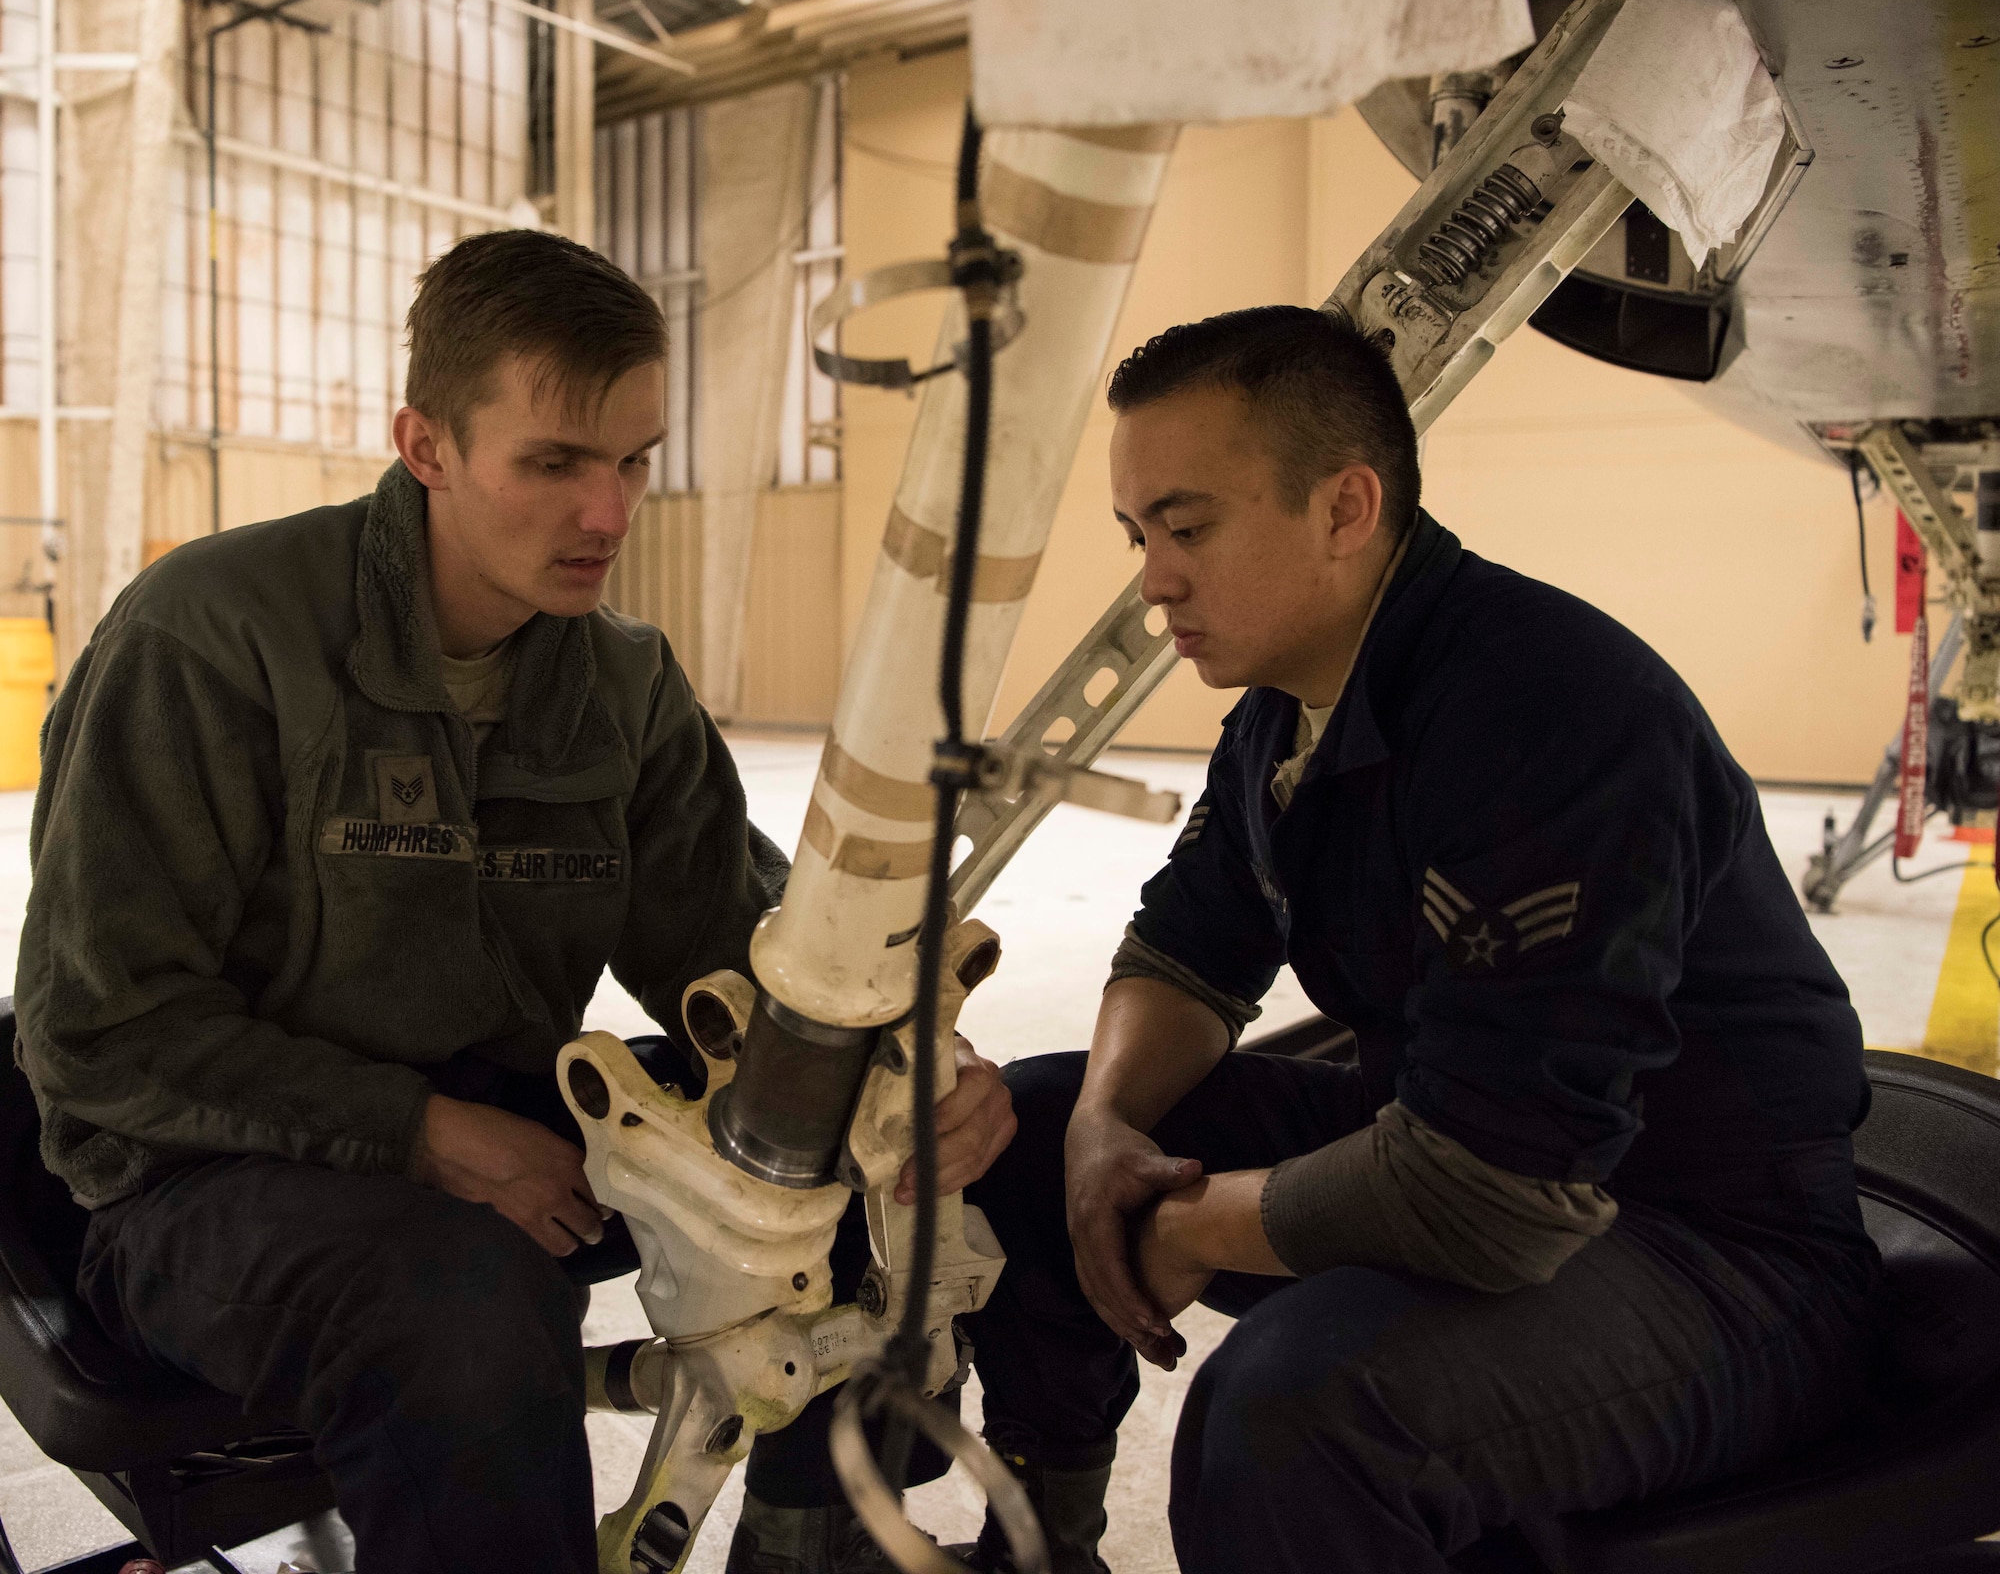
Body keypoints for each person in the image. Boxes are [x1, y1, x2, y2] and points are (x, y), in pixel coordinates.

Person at [15, 228, 1015, 1574]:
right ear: (425, 445)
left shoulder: (619, 682)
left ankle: (813, 1546)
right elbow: (101, 1035)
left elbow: (747, 948)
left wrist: (906, 1066)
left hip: (504, 1121)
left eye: (634, 463)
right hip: (195, 1187)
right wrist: (421, 1134)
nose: (607, 515)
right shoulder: (210, 639)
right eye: (553, 464)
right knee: (465, 1310)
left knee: (860, 1172)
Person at [948, 305, 1882, 1574]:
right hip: (1460, 1145)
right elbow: (1183, 949)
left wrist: (1188, 1224)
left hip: (1708, 1243)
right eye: (1137, 535)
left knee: (1291, 1409)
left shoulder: (1544, 711)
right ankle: (1041, 1544)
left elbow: (1492, 1195)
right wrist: (1104, 1130)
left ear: (1342, 508)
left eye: (1187, 526)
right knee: (1032, 1135)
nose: (1152, 579)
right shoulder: (1288, 706)